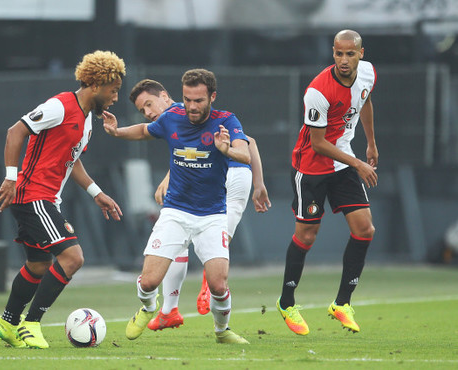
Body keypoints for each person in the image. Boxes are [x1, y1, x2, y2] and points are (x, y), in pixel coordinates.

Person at [0, 50, 125, 349]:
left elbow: (71, 160)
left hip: (44, 198)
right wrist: (11, 177)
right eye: (113, 91)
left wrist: (97, 193)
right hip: (33, 195)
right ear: (95, 85)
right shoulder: (60, 105)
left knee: (38, 265)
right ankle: (31, 324)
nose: (116, 98)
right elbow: (15, 132)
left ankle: (8, 323)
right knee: (73, 257)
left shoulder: (88, 120)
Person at [104, 69, 251, 344]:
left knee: (218, 285)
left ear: (212, 97)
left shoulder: (227, 121)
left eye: (198, 100)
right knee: (148, 282)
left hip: (212, 215)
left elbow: (245, 152)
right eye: (187, 100)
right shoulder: (172, 118)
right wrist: (116, 131)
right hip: (176, 213)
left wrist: (227, 149)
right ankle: (149, 308)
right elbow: (144, 131)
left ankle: (222, 331)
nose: (192, 106)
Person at [128, 79, 271, 331]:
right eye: (143, 111)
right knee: (181, 236)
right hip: (217, 178)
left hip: (234, 173)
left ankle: (205, 286)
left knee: (210, 235)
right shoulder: (176, 120)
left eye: (149, 105)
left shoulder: (207, 117)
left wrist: (258, 184)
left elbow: (241, 146)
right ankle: (170, 309)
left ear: (165, 96)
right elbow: (190, 154)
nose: (149, 113)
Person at [276, 29, 378, 335]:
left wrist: (371, 143)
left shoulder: (368, 73)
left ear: (361, 53)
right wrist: (358, 162)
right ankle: (286, 302)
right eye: (338, 53)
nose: (343, 60)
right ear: (332, 53)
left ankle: (341, 303)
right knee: (307, 237)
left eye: (349, 54)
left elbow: (365, 102)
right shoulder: (317, 92)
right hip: (312, 167)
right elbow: (318, 143)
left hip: (343, 159)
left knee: (365, 229)